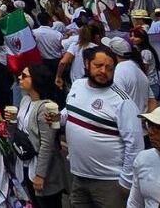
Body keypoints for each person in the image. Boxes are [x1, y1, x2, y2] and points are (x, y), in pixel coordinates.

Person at [63, 45, 143, 208]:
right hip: (79, 176)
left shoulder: (122, 102)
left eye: (109, 68)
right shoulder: (78, 85)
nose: (103, 71)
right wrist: (59, 117)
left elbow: (135, 145)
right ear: (87, 64)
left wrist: (126, 182)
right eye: (98, 65)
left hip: (110, 181)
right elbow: (70, 110)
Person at [15, 63, 67, 208]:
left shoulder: (45, 107)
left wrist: (40, 175)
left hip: (42, 169)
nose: (19, 78)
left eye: (24, 76)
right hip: (26, 163)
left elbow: (47, 143)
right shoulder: (25, 100)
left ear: (36, 80)